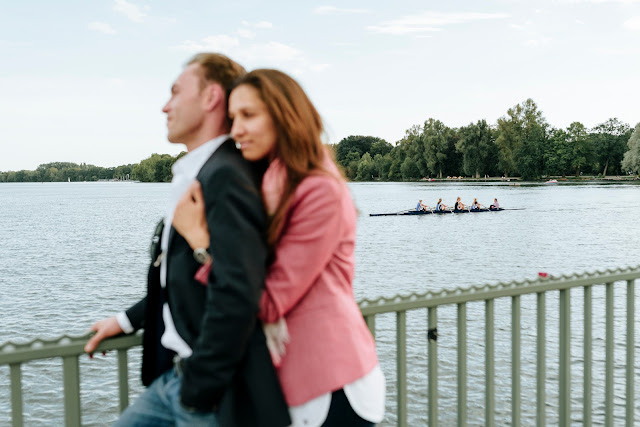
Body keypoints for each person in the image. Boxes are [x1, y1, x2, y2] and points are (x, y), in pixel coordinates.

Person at [83, 54, 290, 427]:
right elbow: (181, 274)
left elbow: (238, 290)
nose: (165, 105)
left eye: (176, 92)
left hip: (207, 394)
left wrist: (200, 386)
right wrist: (127, 320)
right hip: (173, 380)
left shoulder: (227, 177)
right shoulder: (200, 172)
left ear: (211, 97)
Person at [173, 69, 385, 427]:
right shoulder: (269, 180)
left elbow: (268, 302)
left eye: (249, 115)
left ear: (286, 116)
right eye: (233, 117)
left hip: (330, 384)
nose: (236, 129)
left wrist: (200, 243)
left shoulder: (320, 190)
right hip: (285, 380)